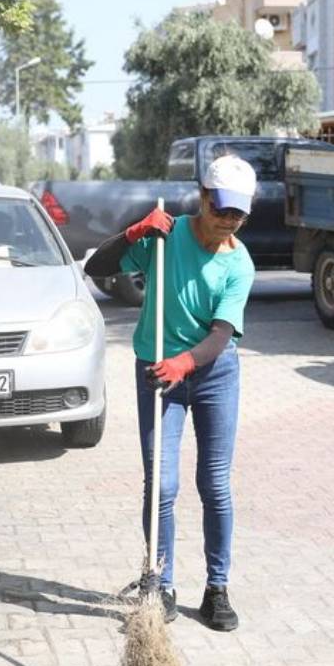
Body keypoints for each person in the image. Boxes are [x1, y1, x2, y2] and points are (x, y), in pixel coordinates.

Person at [85, 155, 256, 631]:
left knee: (214, 483)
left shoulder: (239, 263)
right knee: (161, 484)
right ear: (203, 197)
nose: (228, 220)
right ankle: (159, 584)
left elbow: (222, 334)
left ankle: (217, 588)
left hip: (213, 374)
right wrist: (133, 233)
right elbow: (96, 266)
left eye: (238, 214)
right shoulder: (164, 237)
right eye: (222, 209)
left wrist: (187, 362)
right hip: (158, 371)